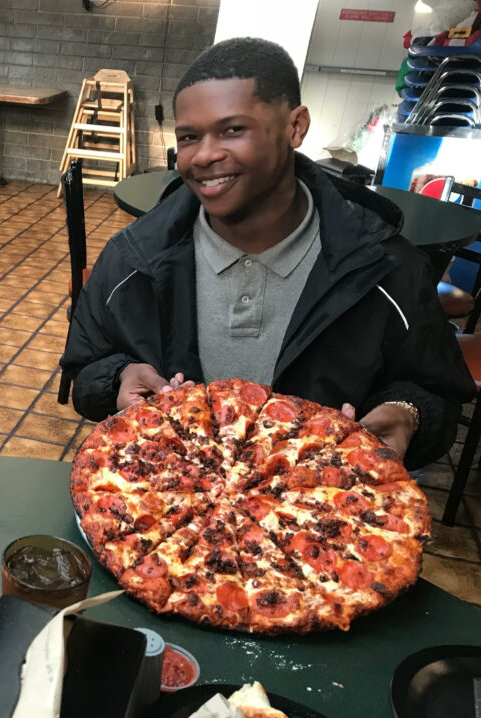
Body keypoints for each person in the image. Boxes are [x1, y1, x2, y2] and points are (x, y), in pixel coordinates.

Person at [60, 37, 473, 469]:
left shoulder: (384, 268)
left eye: (232, 130)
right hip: (161, 508)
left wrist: (407, 415)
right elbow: (85, 368)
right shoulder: (133, 257)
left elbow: (437, 394)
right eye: (189, 136)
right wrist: (119, 377)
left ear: (295, 127)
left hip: (314, 522)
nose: (204, 155)